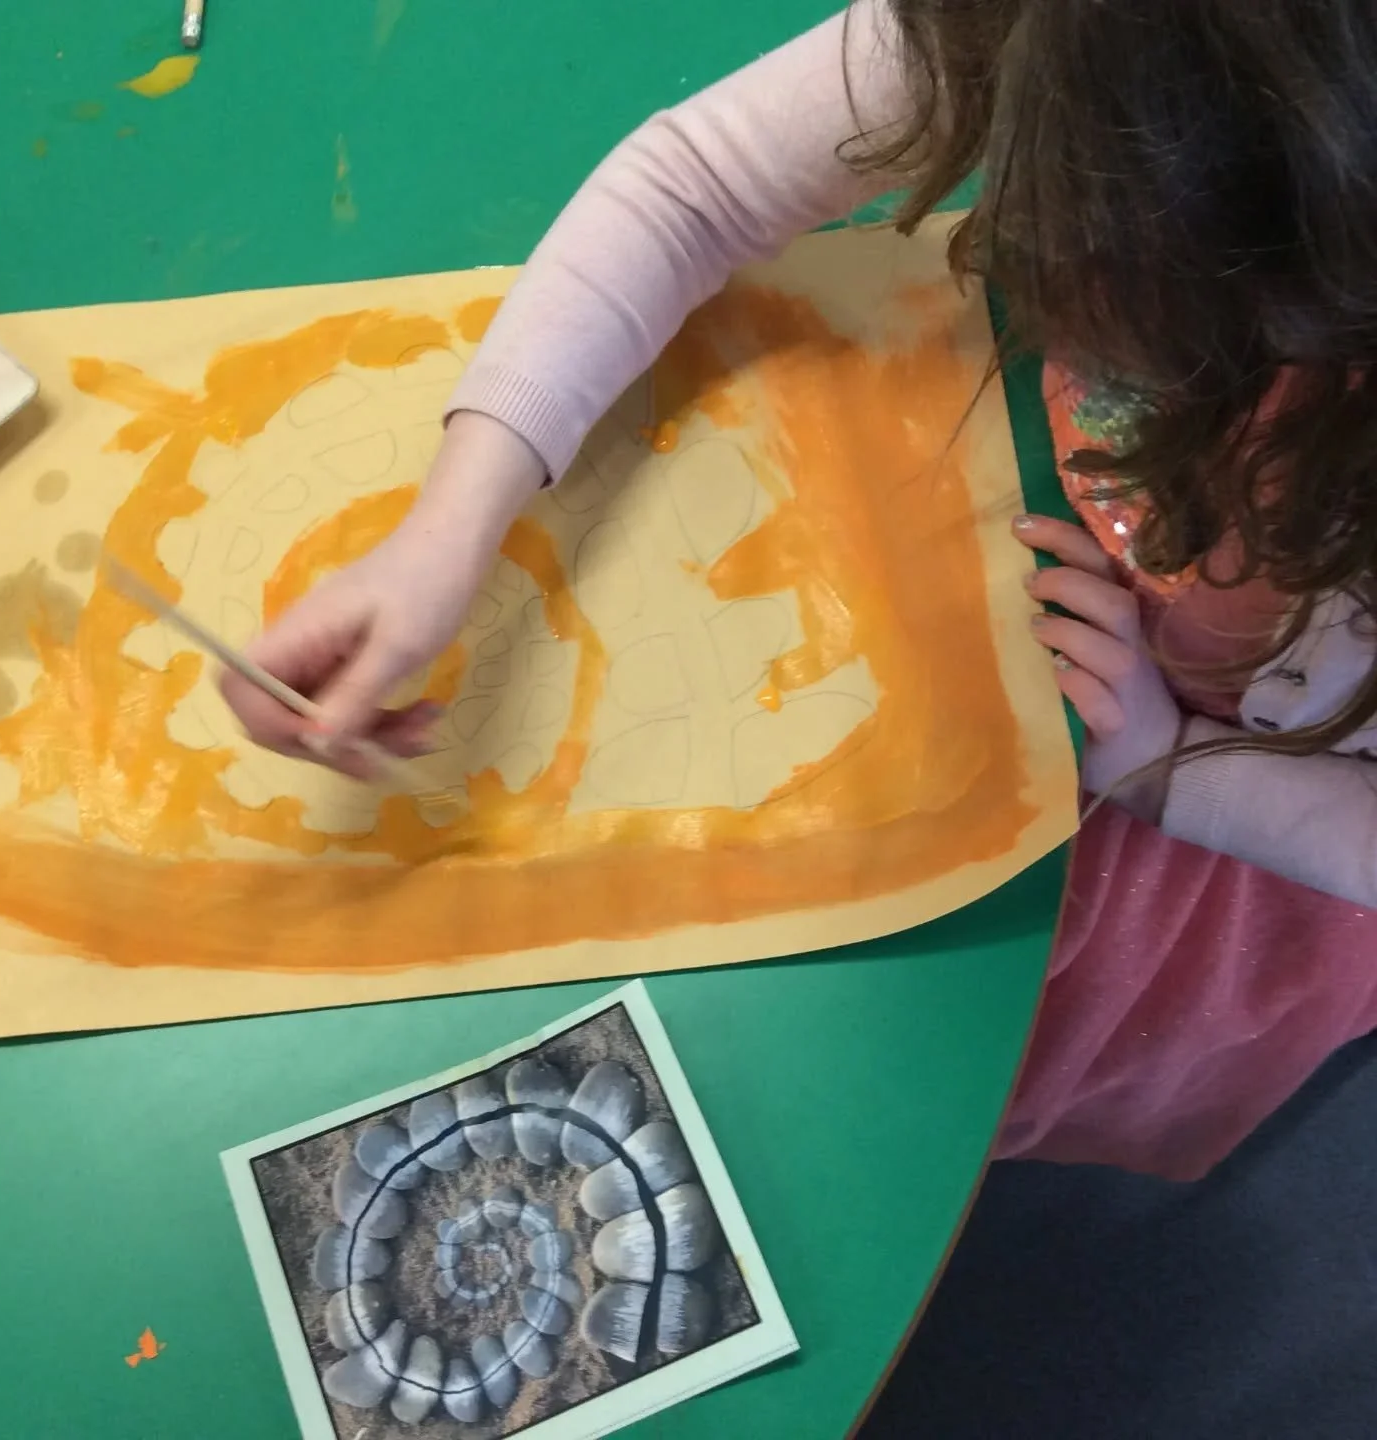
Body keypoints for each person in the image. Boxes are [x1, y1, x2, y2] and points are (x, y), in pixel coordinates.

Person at [222, 0, 1377, 1181]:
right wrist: (446, 533)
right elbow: (693, 184)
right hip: (1107, 644)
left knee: (965, 1089)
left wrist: (1172, 768)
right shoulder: (1071, 28)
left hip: (1241, 822)